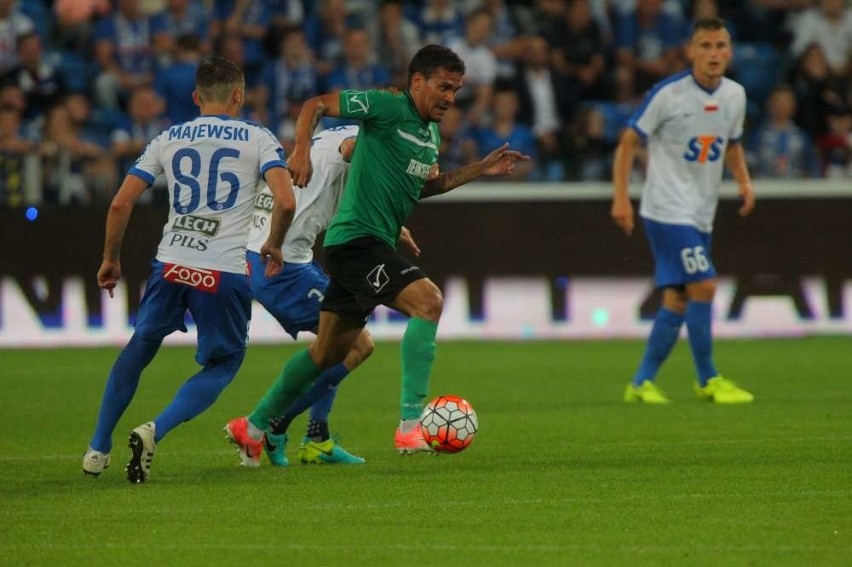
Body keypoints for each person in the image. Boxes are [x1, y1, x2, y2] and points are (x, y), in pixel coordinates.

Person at [225, 44, 528, 460]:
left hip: (362, 246)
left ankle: (255, 426)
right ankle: (409, 426)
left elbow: (425, 188)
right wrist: (300, 149)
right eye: (443, 86)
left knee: (326, 353)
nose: (449, 98)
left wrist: (480, 169)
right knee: (429, 303)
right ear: (417, 81)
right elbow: (315, 104)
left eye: (456, 90)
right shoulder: (386, 107)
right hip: (356, 243)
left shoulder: (430, 134)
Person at [82, 55, 296, 483]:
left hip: (172, 262)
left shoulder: (168, 137)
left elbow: (121, 202)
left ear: (197, 96)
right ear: (239, 96)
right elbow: (286, 200)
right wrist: (273, 244)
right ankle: (154, 430)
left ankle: (97, 448)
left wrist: (111, 258)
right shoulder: (259, 138)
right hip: (224, 269)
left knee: (140, 346)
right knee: (224, 363)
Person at [227, 124, 422, 467]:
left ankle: (315, 437)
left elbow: (340, 199)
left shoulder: (334, 135)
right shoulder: (365, 138)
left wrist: (390, 222)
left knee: (341, 343)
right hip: (278, 265)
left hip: (275, 257)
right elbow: (351, 151)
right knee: (356, 344)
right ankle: (266, 423)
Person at [611, 17, 756, 405]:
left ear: (729, 51)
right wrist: (621, 197)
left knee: (678, 298)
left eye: (720, 46)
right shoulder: (668, 94)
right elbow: (627, 142)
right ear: (691, 51)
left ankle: (640, 383)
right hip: (666, 209)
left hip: (701, 211)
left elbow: (732, 143)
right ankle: (708, 379)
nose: (713, 54)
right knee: (704, 284)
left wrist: (743, 180)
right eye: (705, 46)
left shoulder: (735, 96)